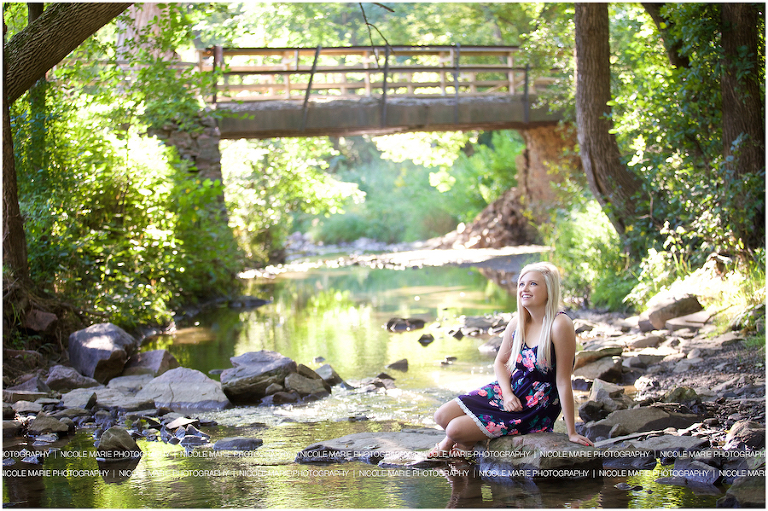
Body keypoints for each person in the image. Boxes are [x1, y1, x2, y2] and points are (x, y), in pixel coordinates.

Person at [428, 261, 593, 458]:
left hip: (535, 405)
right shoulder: (518, 322)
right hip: (512, 391)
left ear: (549, 290)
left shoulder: (559, 324)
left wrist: (571, 432)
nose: (525, 289)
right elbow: (500, 362)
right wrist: (507, 394)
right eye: (522, 284)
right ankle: (465, 445)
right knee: (441, 416)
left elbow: (564, 380)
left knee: (454, 429)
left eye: (533, 284)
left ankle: (456, 443)